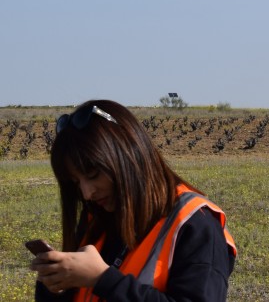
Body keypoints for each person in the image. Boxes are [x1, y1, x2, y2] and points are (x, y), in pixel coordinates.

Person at [29, 100, 236, 301]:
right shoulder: (97, 217)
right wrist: (55, 288)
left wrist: (103, 279)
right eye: (76, 182)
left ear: (127, 155)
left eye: (92, 175)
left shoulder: (195, 224)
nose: (86, 193)